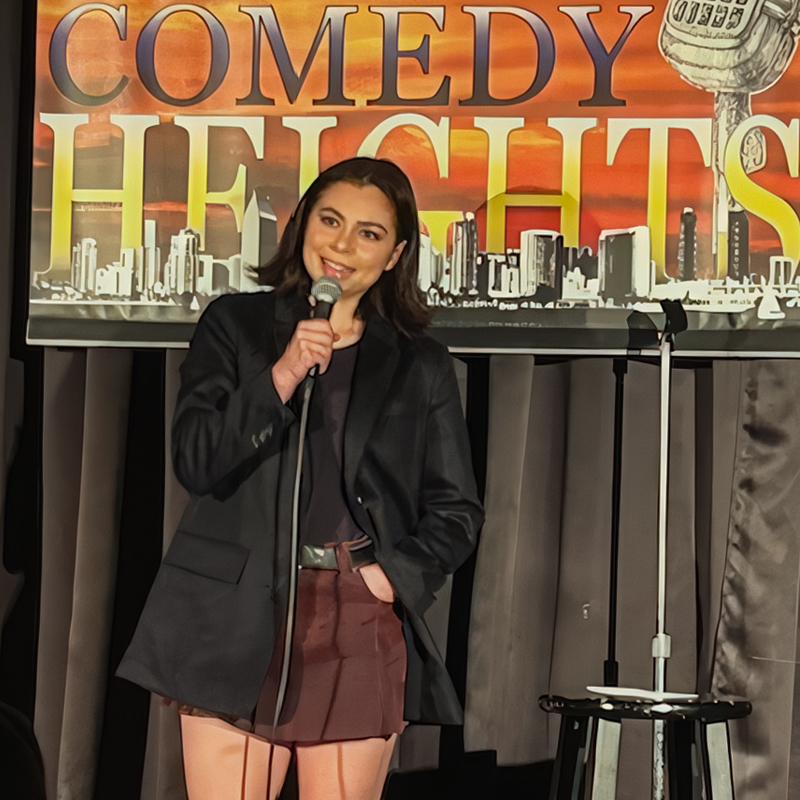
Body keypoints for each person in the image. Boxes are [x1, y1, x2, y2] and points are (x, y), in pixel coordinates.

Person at [118, 157, 484, 800]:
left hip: (354, 616)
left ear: (396, 254)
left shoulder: (419, 364)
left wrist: (389, 578)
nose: (342, 245)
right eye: (330, 221)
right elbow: (196, 460)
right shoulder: (236, 325)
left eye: (369, 233)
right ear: (302, 224)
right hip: (235, 609)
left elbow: (457, 510)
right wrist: (282, 374)